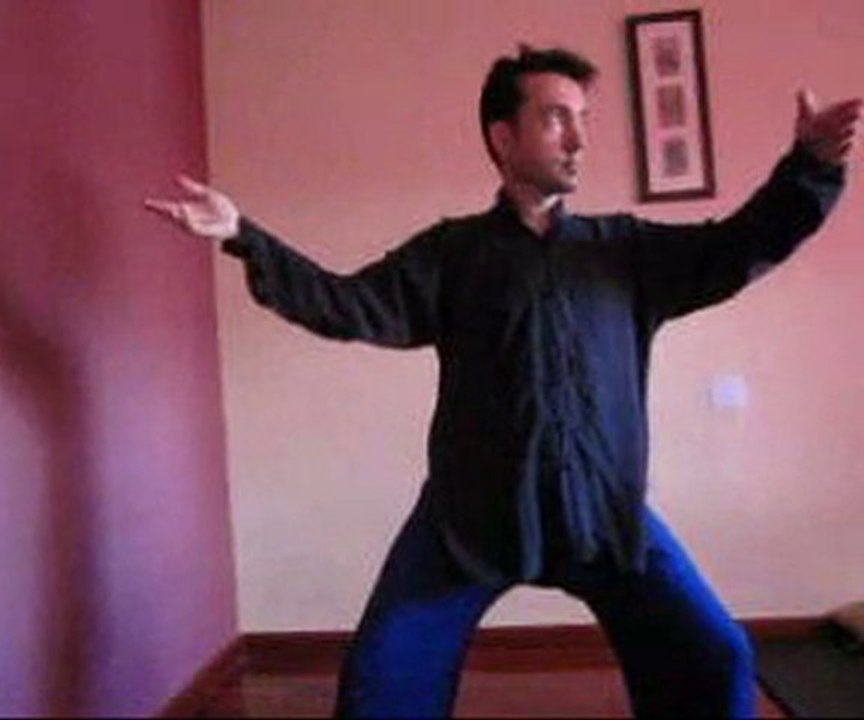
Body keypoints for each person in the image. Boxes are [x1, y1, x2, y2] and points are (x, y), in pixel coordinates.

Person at [147, 46, 861, 718]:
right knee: (378, 680)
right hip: (468, 519)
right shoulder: (452, 253)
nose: (578, 138)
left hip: (604, 514)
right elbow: (345, 303)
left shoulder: (625, 252)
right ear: (503, 136)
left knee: (715, 656)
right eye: (555, 118)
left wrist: (810, 167)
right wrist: (243, 234)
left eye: (583, 119)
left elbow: (737, 246)